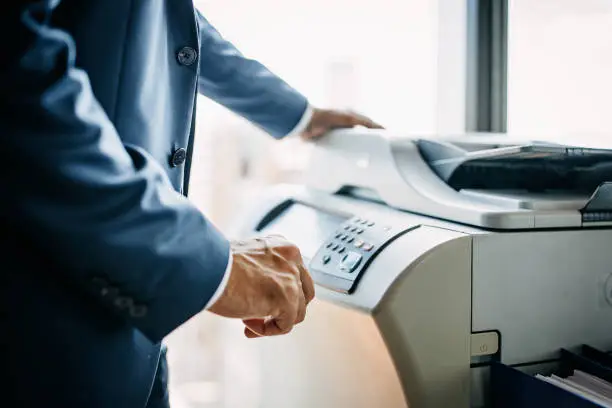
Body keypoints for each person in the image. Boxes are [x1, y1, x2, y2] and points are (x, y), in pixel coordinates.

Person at [1, 1, 382, 407]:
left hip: (134, 335)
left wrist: (298, 114)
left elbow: (168, 18)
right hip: (43, 323)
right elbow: (14, 70)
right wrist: (206, 264)